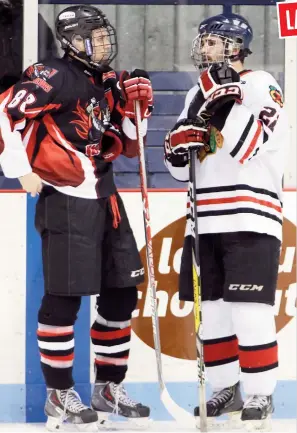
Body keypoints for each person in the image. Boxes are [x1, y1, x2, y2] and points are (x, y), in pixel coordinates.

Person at [0, 4, 153, 430]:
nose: (106, 43)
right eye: (98, 37)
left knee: (123, 293)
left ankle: (108, 387)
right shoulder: (53, 75)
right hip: (66, 197)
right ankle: (58, 394)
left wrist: (138, 110)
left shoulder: (105, 83)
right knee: (65, 298)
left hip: (106, 197)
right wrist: (20, 170)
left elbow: (128, 144)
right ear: (74, 40)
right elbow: (5, 110)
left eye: (106, 36)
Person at [164, 12, 288, 431]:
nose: (205, 48)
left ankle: (259, 393)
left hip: (250, 215)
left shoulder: (260, 83)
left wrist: (220, 106)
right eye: (203, 41)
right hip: (203, 220)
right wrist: (177, 148)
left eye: (214, 41)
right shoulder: (194, 93)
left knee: (249, 311)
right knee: (212, 314)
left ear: (236, 46)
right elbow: (182, 170)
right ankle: (226, 387)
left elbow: (252, 145)